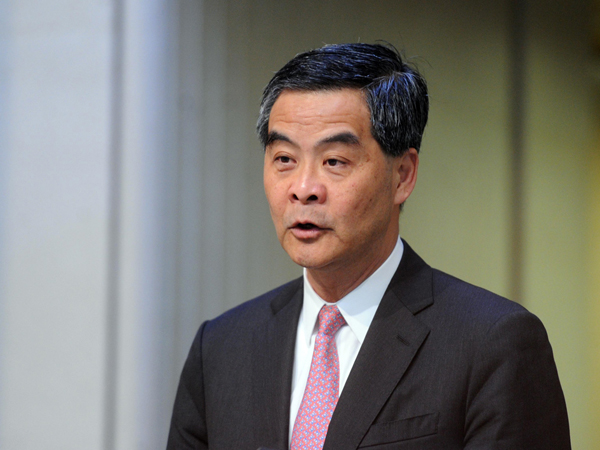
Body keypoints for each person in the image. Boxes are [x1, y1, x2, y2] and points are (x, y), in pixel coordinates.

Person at [167, 43, 570, 450]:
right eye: (285, 159)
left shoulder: (491, 343)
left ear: (403, 175)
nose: (303, 189)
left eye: (335, 161)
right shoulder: (220, 348)